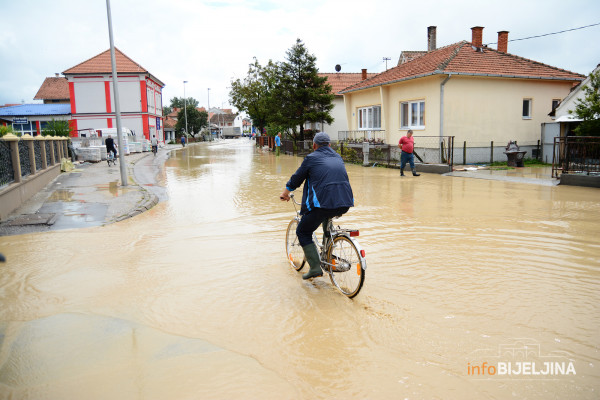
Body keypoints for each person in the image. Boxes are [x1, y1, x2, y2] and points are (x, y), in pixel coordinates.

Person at [280, 132, 354, 280]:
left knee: (303, 231)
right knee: (326, 214)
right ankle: (327, 248)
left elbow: (296, 179)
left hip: (323, 204)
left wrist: (285, 193)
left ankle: (315, 268)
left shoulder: (311, 158)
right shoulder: (338, 157)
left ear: (314, 146)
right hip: (345, 202)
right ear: (330, 145)